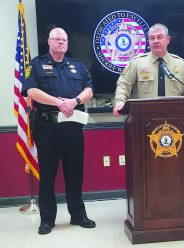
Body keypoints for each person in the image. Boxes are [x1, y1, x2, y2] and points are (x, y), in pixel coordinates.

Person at [21, 27, 95, 234]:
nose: (61, 42)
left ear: (67, 43)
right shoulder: (36, 64)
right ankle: (47, 220)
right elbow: (32, 91)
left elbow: (89, 90)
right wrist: (59, 103)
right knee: (47, 175)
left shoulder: (77, 66)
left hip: (73, 127)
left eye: (64, 39)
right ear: (49, 42)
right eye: (57, 39)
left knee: (75, 174)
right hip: (47, 128)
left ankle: (78, 215)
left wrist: (75, 101)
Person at [113, 23, 184, 116]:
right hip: (144, 119)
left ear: (168, 39)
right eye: (152, 38)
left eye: (159, 37)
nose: (155, 41)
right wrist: (120, 102)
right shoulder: (137, 63)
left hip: (175, 119)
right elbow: (123, 85)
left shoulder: (181, 64)